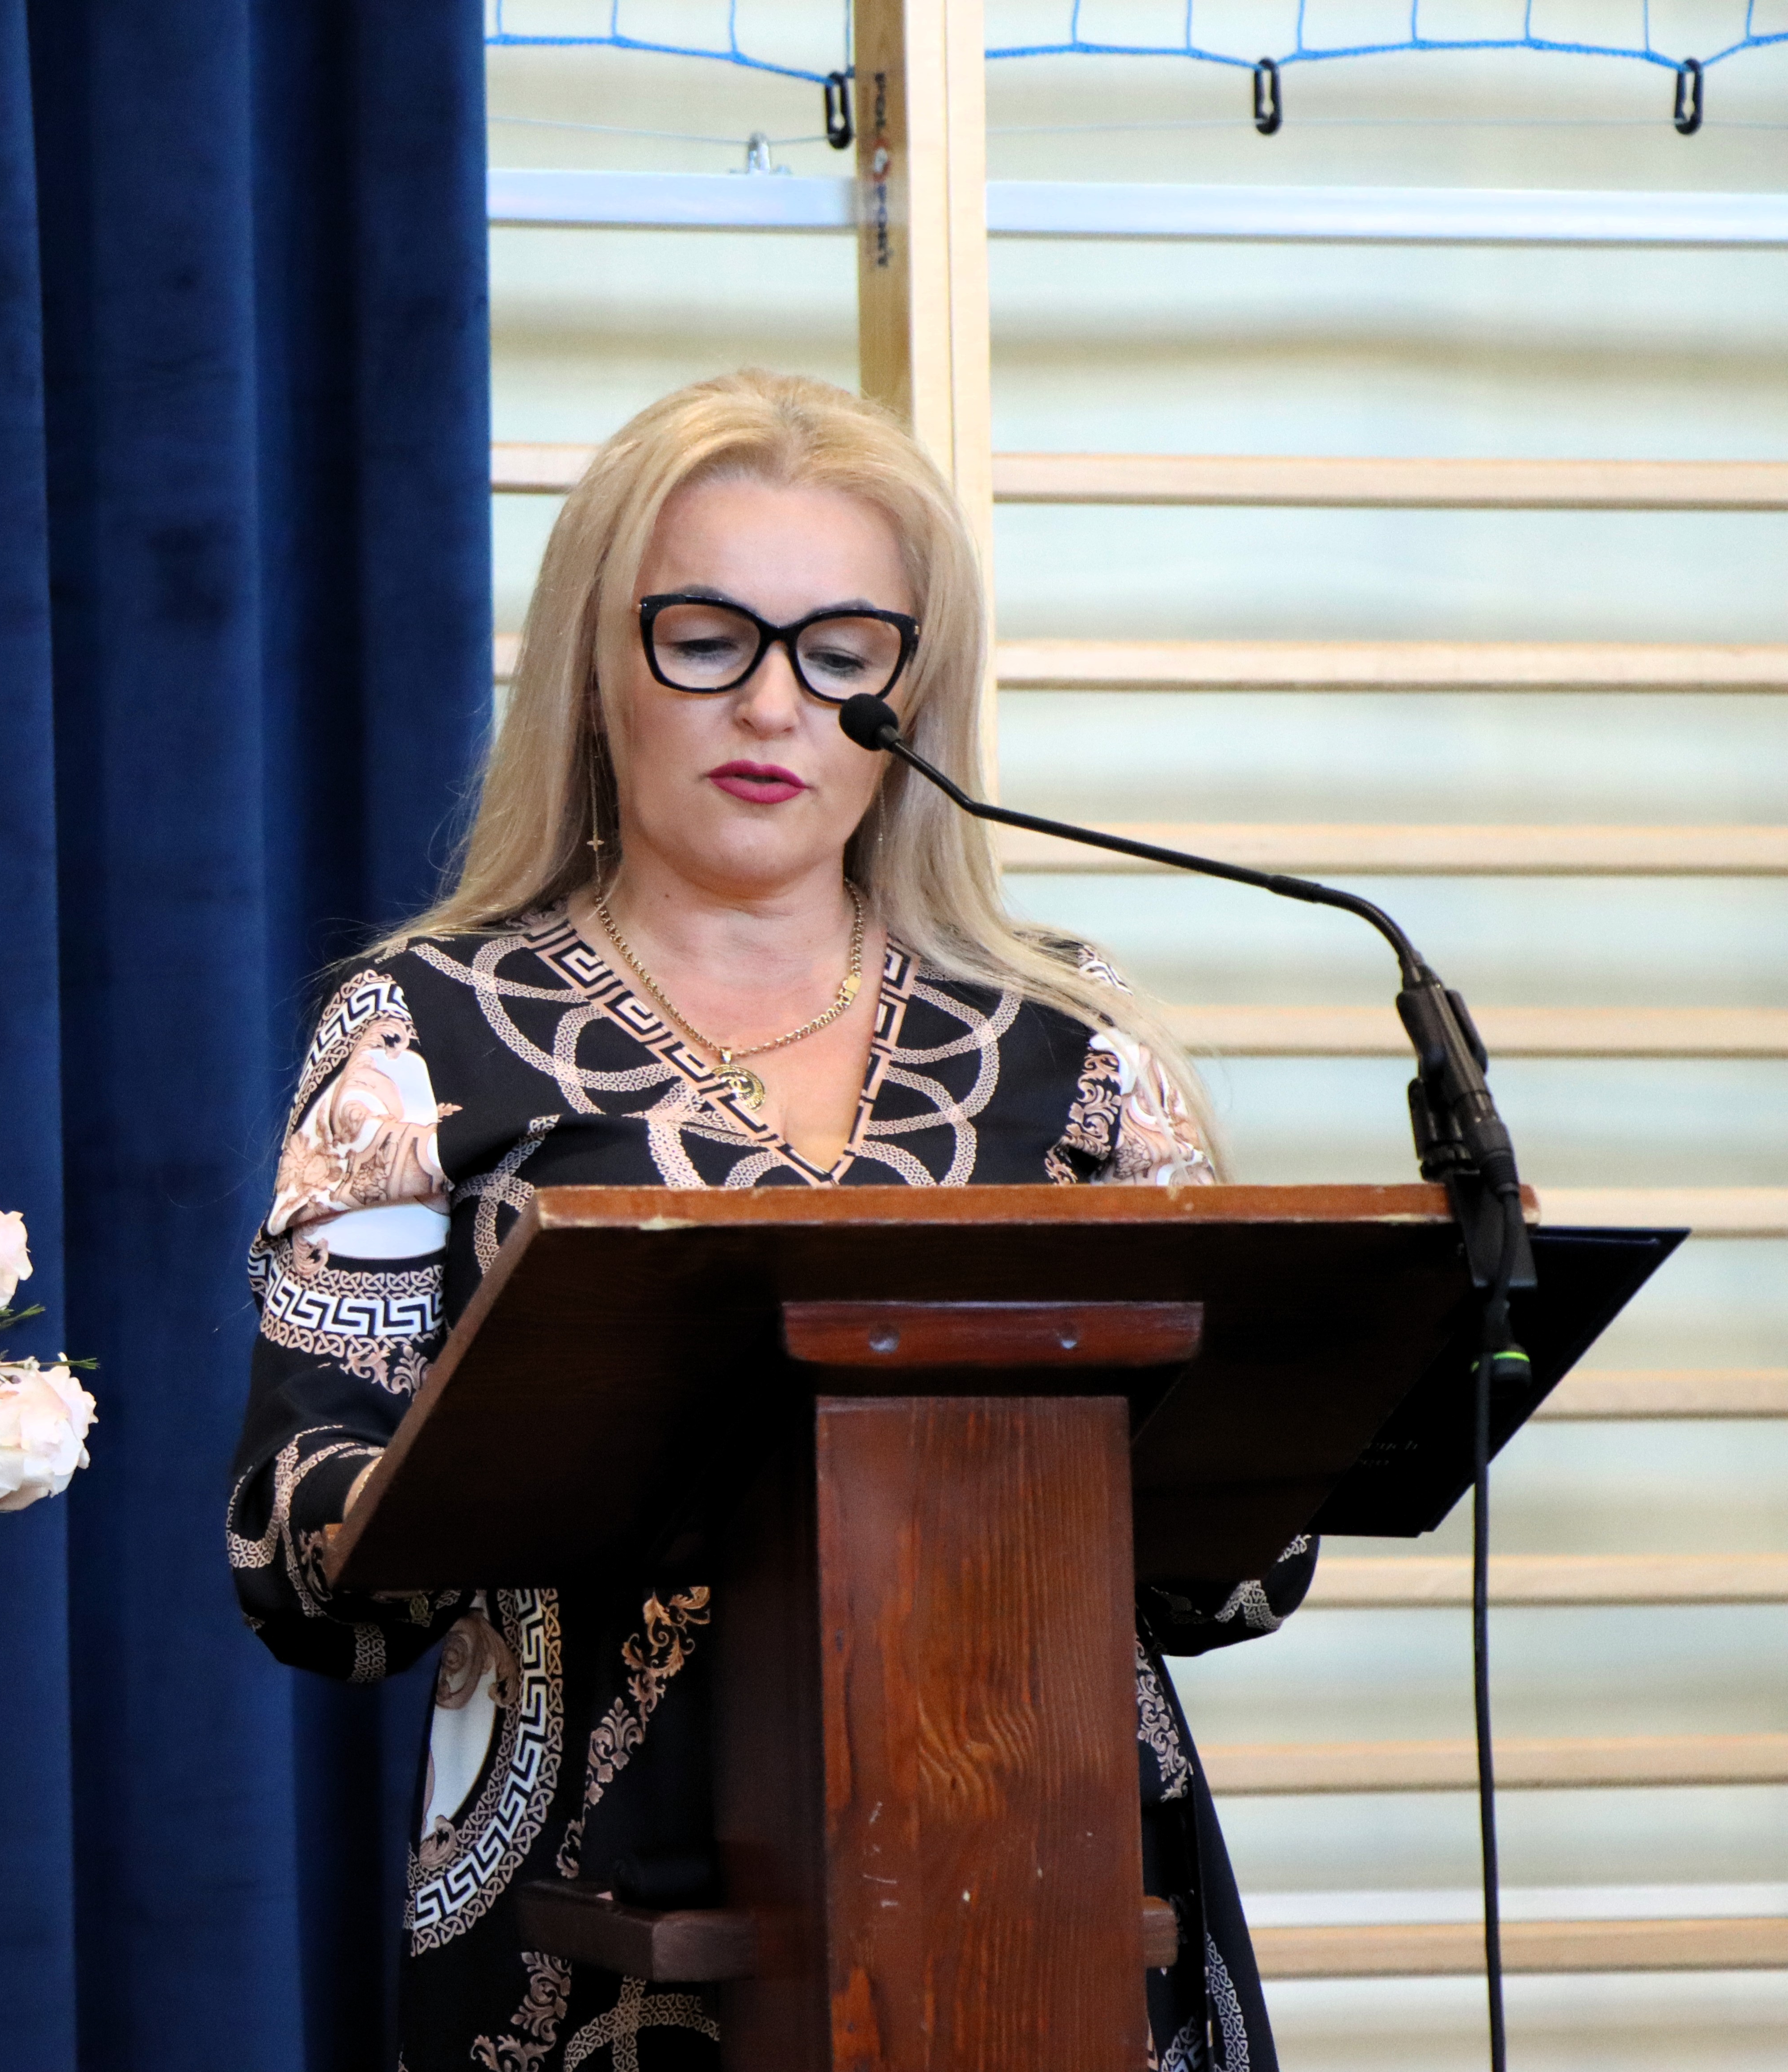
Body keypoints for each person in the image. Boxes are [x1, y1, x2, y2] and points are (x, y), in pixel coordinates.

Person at [229, 368, 1309, 2072]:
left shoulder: (1073, 1041)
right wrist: (498, 1453)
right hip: (605, 1922)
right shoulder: (424, 1030)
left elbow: (1233, 1575)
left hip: (1051, 1899)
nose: (774, 705)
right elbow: (302, 1565)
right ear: (599, 664)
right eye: (706, 637)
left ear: (909, 693)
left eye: (842, 652)